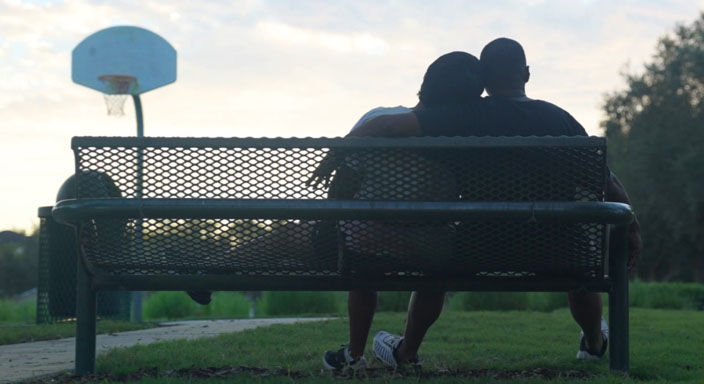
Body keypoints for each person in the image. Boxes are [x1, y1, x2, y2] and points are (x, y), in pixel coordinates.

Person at [311, 37, 642, 368]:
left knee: (435, 269)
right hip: (558, 249)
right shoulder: (561, 120)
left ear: (485, 80)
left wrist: (336, 153)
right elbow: (606, 181)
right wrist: (632, 227)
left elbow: (386, 125)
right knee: (580, 259)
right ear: (526, 74)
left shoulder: (465, 116)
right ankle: (595, 343)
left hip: (479, 248)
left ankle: (406, 352)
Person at [317, 51, 484, 371]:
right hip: (429, 252)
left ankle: (353, 355)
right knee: (436, 268)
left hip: (364, 245)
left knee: (359, 238)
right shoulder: (465, 138)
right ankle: (407, 352)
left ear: (426, 83)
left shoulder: (378, 118)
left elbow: (342, 188)